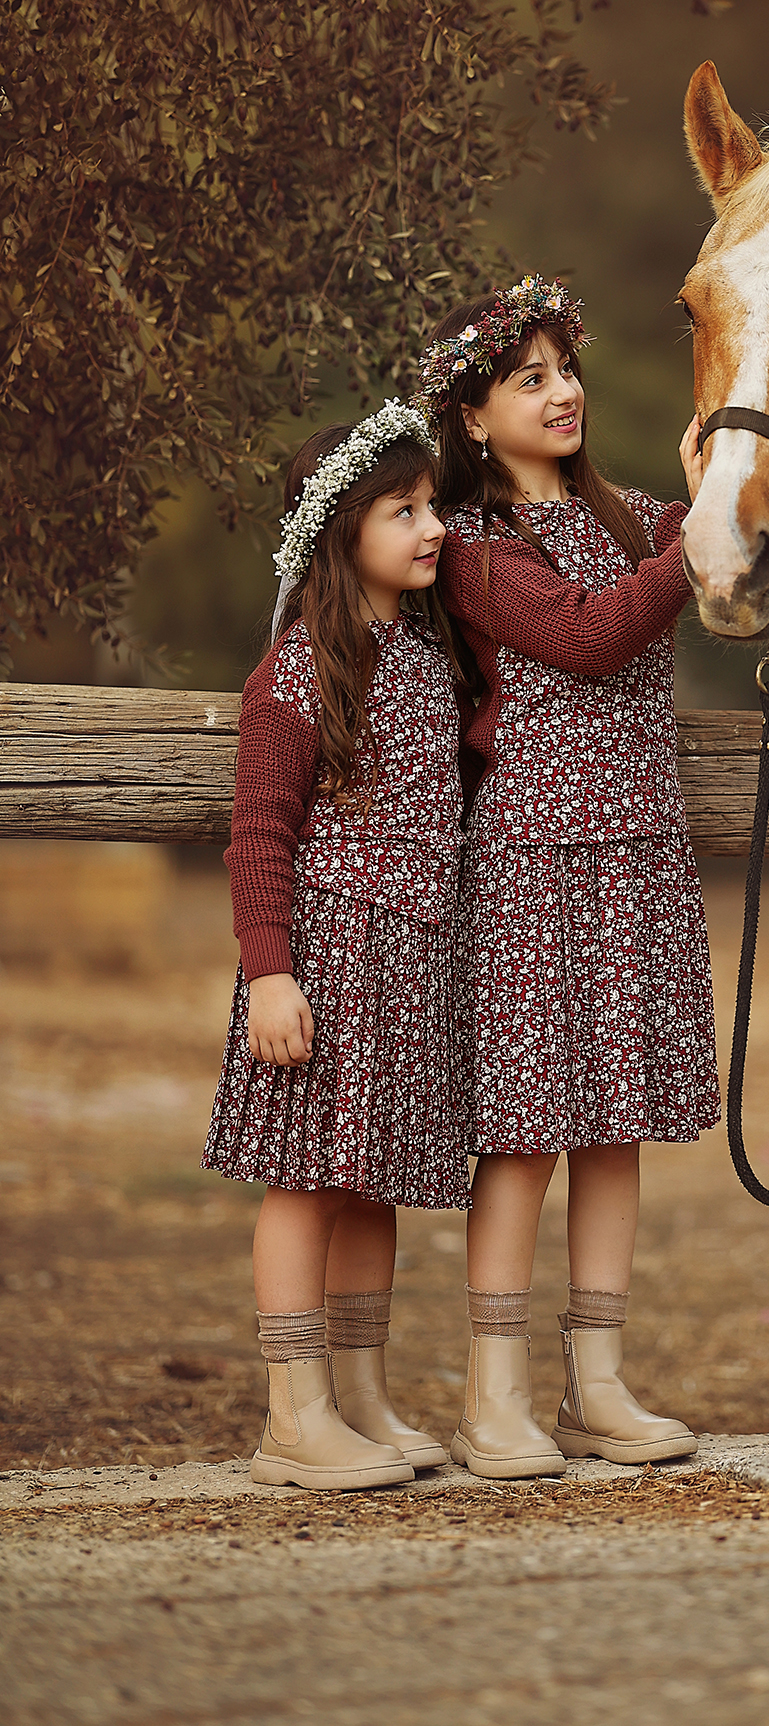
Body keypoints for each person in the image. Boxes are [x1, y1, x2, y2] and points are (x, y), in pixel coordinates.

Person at [419, 274, 769, 1479]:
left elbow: (749, 553)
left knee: (614, 1130)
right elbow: (589, 632)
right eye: (528, 378)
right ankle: (496, 1396)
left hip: (634, 854)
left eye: (565, 369)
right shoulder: (476, 551)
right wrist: (689, 529)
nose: (563, 391)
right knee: (526, 1136)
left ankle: (598, 1381)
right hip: (535, 860)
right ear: (475, 418)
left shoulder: (626, 515)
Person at [203, 402, 478, 1492]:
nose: (431, 526)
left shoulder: (419, 654)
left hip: (405, 958)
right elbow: (260, 833)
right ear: (338, 531)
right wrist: (270, 969)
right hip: (325, 957)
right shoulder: (294, 673)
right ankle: (293, 1412)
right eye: (402, 510)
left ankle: (359, 1395)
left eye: (431, 505)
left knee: (371, 1186)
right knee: (306, 1182)